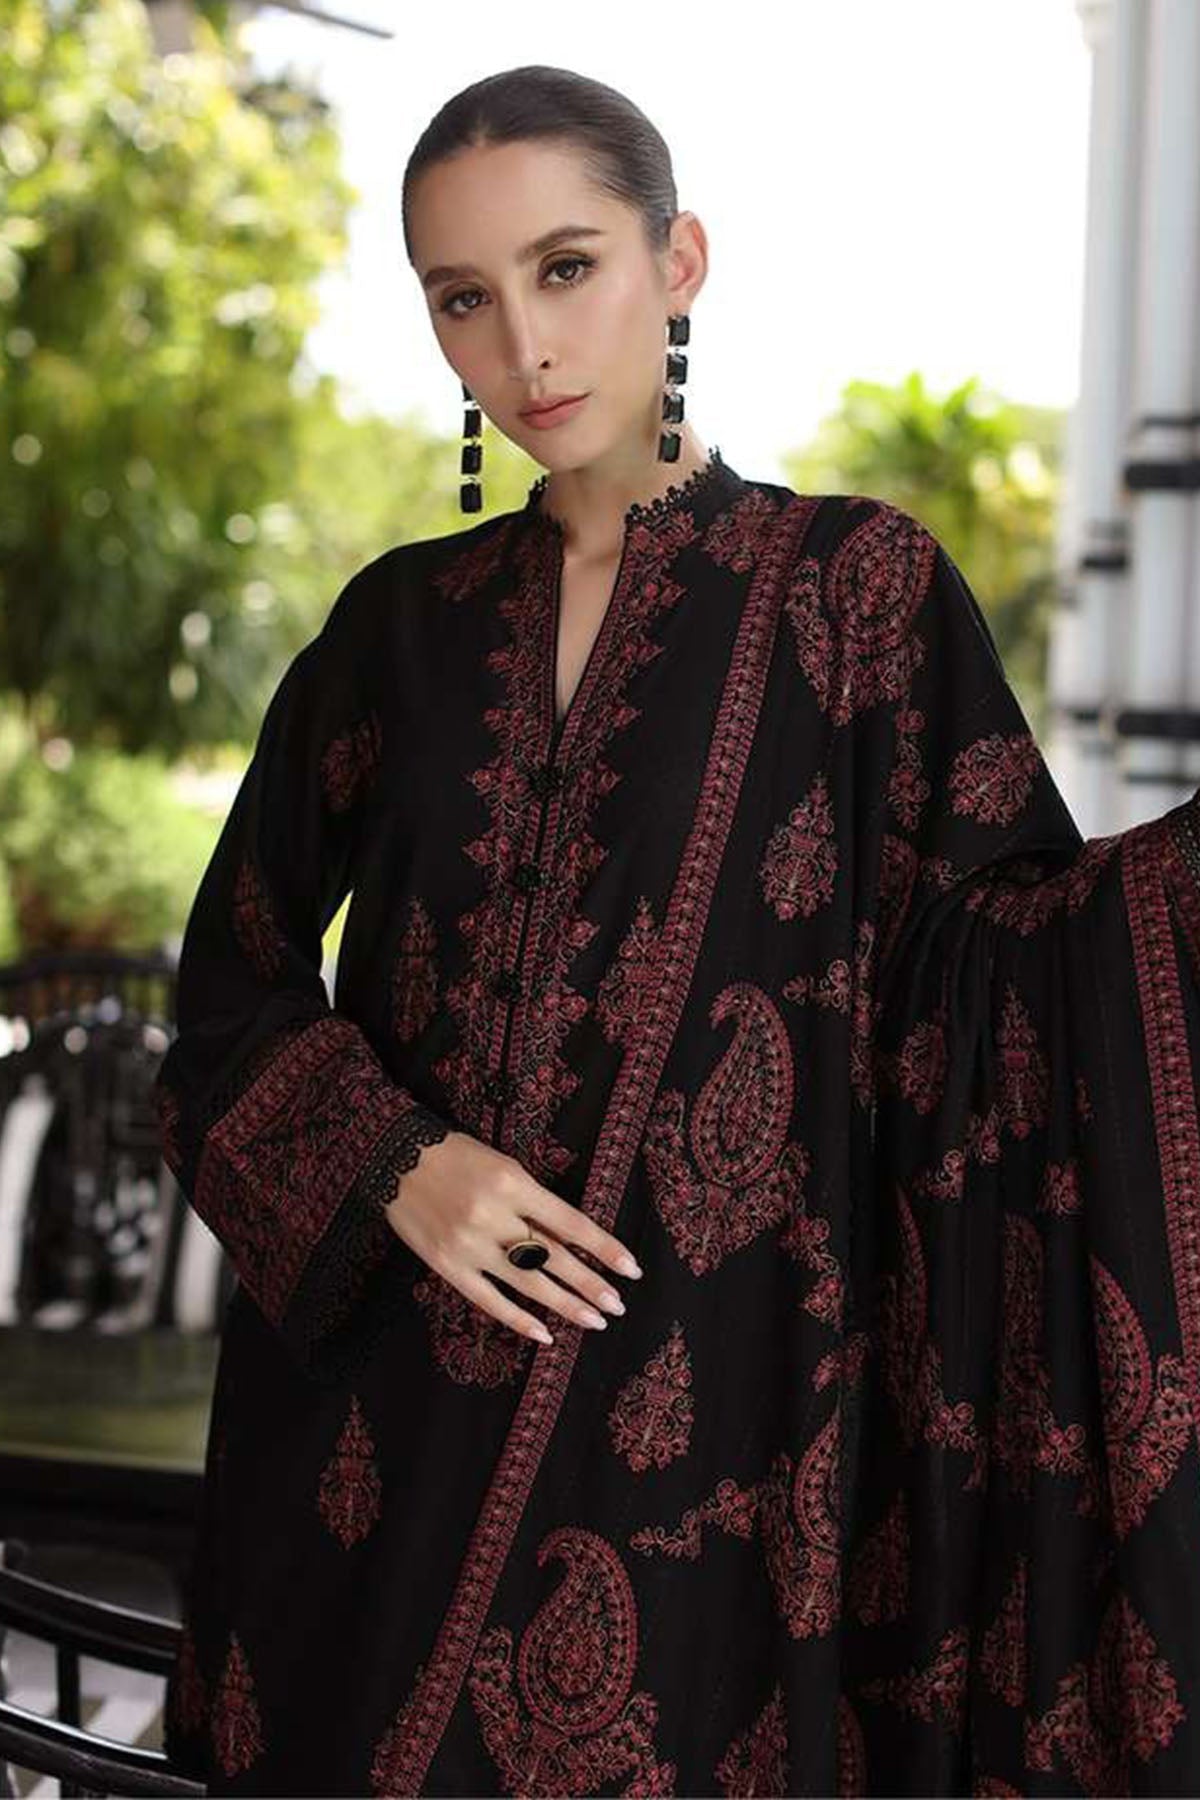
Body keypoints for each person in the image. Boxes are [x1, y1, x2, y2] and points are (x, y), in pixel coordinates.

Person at [153, 62, 1200, 1800]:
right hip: (379, 1454)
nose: (524, 347)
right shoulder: (391, 632)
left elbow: (1005, 974)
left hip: (708, 1441)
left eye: (566, 268)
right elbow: (225, 992)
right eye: (463, 298)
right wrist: (399, 1163)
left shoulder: (857, 594)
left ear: (680, 259)